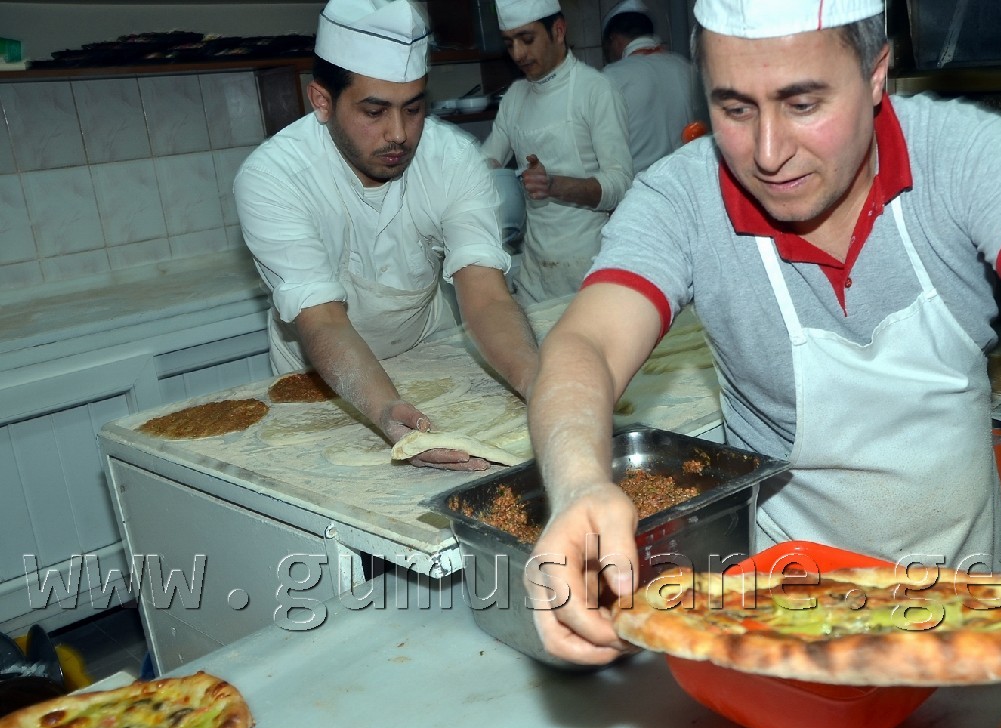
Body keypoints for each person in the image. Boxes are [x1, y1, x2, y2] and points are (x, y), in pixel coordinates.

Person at [525, 0, 1001, 665]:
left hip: (966, 610)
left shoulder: (959, 155)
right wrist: (580, 482)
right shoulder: (680, 199)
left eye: (803, 104)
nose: (768, 152)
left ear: (877, 73)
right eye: (734, 108)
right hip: (782, 619)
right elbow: (587, 344)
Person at [235, 0, 538, 472]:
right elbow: (324, 320)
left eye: (413, 109)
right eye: (374, 112)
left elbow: (486, 295)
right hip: (321, 387)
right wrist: (384, 410)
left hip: (425, 358)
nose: (398, 133)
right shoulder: (274, 177)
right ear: (321, 100)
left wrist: (541, 384)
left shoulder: (453, 159)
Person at [481, 0, 633, 303]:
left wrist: (554, 185)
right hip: (535, 272)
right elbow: (489, 159)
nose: (518, 54)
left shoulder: (595, 90)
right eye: (509, 44)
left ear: (559, 31)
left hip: (588, 267)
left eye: (527, 39)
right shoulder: (515, 97)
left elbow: (620, 184)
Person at [600, 0, 703, 173]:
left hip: (637, 187)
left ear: (614, 39)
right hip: (687, 182)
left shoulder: (610, 78)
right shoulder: (686, 68)